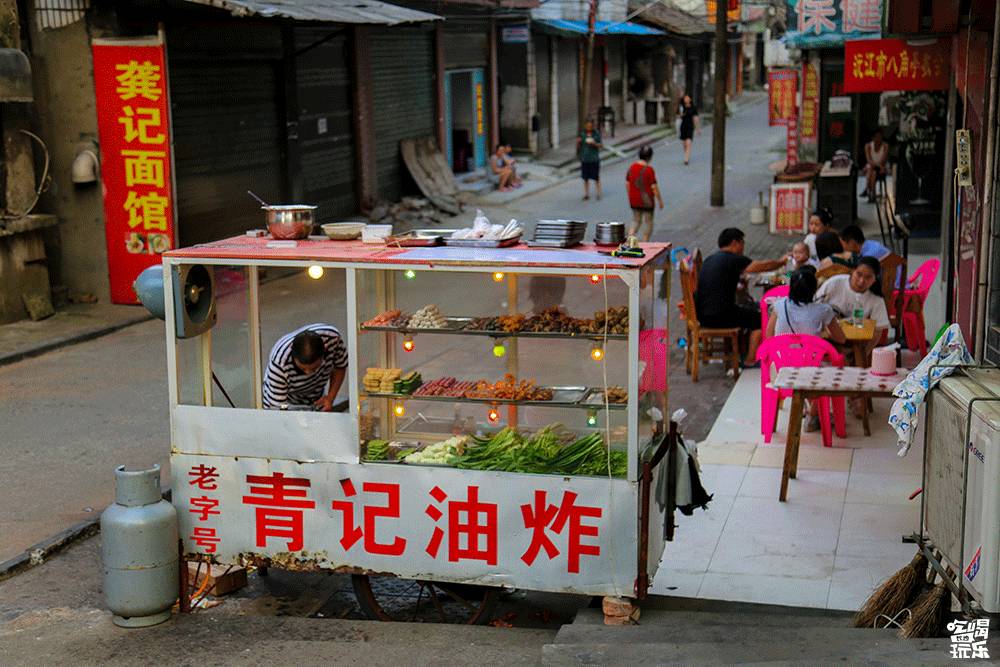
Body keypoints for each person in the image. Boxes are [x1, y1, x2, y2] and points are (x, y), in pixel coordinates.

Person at [766, 266, 846, 431]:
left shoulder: (779, 306)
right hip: (810, 375)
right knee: (829, 364)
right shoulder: (823, 310)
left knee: (806, 361)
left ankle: (806, 409)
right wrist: (821, 334)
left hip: (781, 372)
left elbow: (769, 337)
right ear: (814, 289)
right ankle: (812, 416)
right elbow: (841, 338)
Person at [695, 227, 790, 366]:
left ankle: (743, 350)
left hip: (702, 315)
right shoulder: (732, 259)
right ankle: (751, 360)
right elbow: (762, 266)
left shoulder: (710, 259)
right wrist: (781, 262)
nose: (743, 247)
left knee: (748, 309)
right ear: (735, 243)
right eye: (742, 243)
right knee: (761, 319)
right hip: (719, 315)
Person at [815, 257, 890, 359]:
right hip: (826, 339)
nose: (861, 281)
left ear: (875, 279)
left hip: (855, 344)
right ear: (852, 271)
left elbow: (878, 331)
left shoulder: (876, 299)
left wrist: (863, 355)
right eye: (859, 274)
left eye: (868, 277)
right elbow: (815, 306)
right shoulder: (834, 283)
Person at [263, 323, 348, 411]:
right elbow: (278, 410)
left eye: (314, 368)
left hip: (315, 397)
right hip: (286, 400)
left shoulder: (332, 339)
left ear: (325, 351)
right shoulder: (279, 364)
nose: (308, 373)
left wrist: (330, 398)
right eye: (302, 369)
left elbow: (340, 366)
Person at [625, 144, 663, 241]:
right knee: (648, 221)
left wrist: (630, 195)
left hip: (634, 199)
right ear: (650, 157)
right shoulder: (649, 170)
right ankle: (645, 242)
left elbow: (627, 183)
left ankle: (630, 238)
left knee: (636, 220)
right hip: (647, 201)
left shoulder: (632, 167)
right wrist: (660, 201)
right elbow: (654, 187)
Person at [577, 119, 602, 200]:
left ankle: (598, 193)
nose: (589, 127)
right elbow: (578, 146)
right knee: (585, 178)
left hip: (594, 159)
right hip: (585, 159)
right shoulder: (582, 134)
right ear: (585, 126)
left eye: (590, 126)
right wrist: (578, 142)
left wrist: (594, 143)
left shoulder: (596, 134)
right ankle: (586, 194)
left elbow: (600, 145)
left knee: (596, 177)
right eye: (588, 126)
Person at [862, 129, 889, 202]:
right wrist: (878, 166)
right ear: (873, 138)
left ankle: (868, 190)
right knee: (872, 171)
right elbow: (868, 160)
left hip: (880, 168)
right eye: (876, 137)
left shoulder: (885, 146)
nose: (878, 139)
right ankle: (872, 193)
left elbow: (883, 160)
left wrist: (879, 166)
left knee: (872, 171)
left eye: (880, 137)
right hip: (873, 167)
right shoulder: (868, 146)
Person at [677, 94, 700, 166]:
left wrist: (697, 128)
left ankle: (686, 159)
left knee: (688, 143)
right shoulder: (681, 107)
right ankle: (686, 155)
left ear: (690, 99)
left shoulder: (693, 108)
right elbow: (677, 116)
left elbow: (696, 118)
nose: (687, 99)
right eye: (685, 98)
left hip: (690, 126)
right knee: (684, 144)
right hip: (683, 126)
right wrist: (681, 115)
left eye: (688, 97)